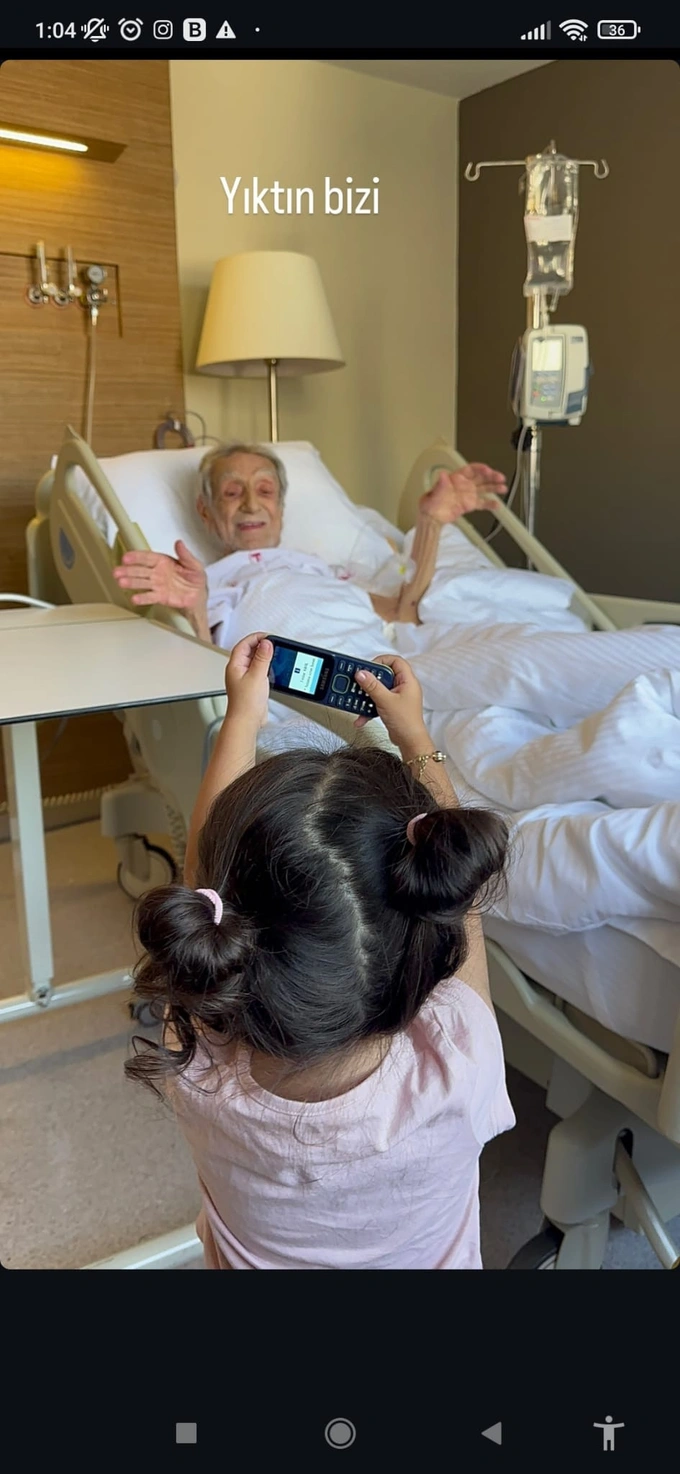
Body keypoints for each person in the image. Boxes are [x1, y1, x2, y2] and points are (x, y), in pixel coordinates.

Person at [124, 633, 515, 1270]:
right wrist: (415, 738)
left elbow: (204, 880)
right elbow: (460, 893)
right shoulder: (455, 1063)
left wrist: (241, 718)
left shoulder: (198, 1061)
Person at [112, 441, 508, 642]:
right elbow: (211, 689)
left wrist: (430, 523)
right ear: (205, 511)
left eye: (265, 490)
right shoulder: (205, 584)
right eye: (232, 493)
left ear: (281, 507)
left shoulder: (318, 568)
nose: (251, 504)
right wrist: (196, 610)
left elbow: (404, 614)